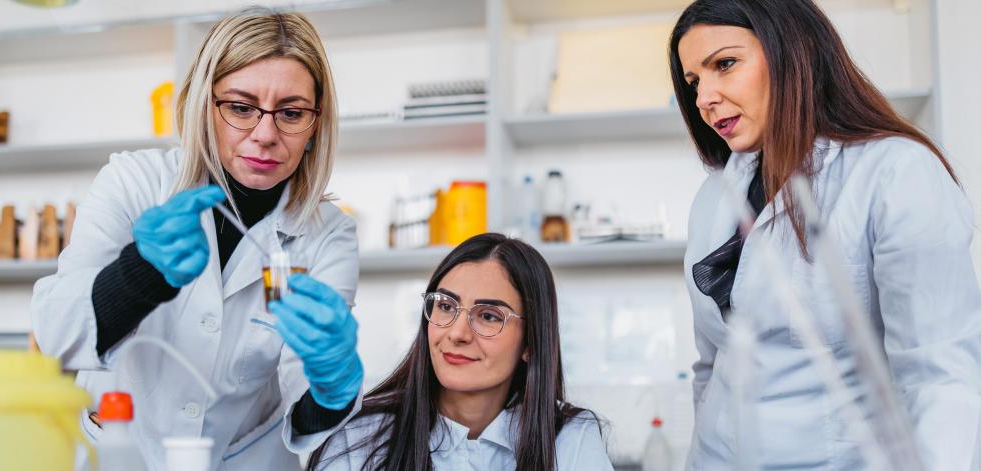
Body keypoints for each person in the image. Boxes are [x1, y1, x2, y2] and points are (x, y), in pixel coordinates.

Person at [32, 10, 364, 470]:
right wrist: (139, 274)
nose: (265, 135)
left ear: (315, 124)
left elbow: (303, 407)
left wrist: (333, 383)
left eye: (291, 113)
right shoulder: (133, 183)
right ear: (202, 105)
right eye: (241, 107)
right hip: (119, 456)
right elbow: (58, 334)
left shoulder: (328, 233)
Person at [669, 0, 981, 469]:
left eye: (725, 64)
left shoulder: (894, 172)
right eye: (693, 81)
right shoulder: (714, 195)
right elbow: (711, 367)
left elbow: (938, 375)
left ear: (792, 52)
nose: (704, 98)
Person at [306, 233, 612, 470]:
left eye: (489, 315)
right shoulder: (359, 437)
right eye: (446, 306)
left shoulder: (570, 437)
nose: (457, 333)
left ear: (530, 344)